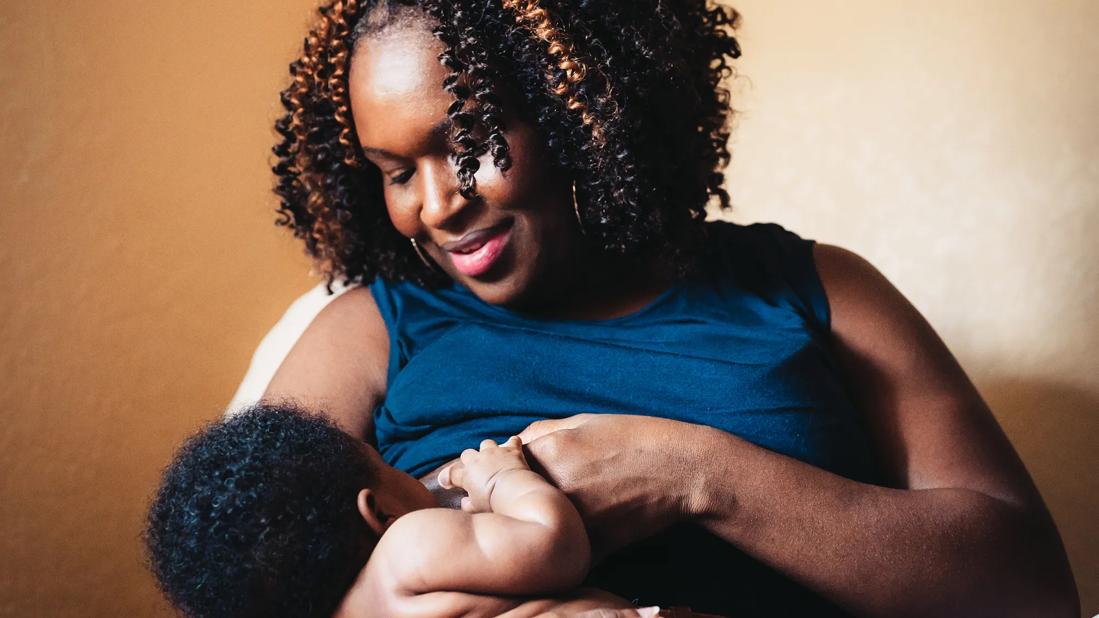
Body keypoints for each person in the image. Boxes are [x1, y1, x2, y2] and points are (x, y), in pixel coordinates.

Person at [260, 0, 1079, 615]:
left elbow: (1031, 589)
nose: (434, 206)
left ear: (580, 109)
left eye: (467, 144)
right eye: (395, 170)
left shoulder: (815, 289)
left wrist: (696, 475)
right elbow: (238, 573)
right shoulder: (370, 330)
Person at [144, 403, 662, 617]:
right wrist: (502, 477)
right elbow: (555, 545)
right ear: (381, 514)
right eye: (385, 464)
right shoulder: (408, 548)